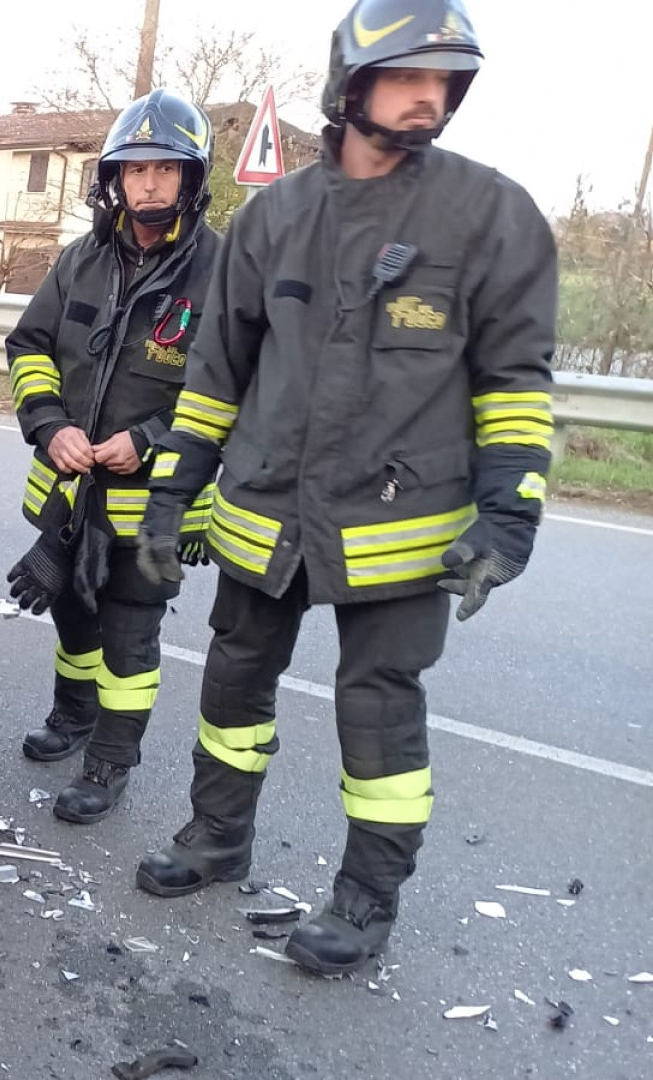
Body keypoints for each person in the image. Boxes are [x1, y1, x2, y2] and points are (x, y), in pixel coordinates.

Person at [131, 0, 557, 975]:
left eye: (445, 81)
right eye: (409, 75)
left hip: (400, 530)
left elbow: (515, 386)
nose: (430, 96)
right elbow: (214, 380)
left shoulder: (490, 216)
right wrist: (170, 497)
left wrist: (508, 517)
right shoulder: (274, 219)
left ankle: (365, 902)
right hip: (264, 515)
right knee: (234, 684)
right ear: (350, 84)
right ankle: (214, 838)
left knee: (378, 712)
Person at [3, 88, 223, 824]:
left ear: (192, 180)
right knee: (72, 618)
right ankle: (72, 718)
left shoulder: (220, 274)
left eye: (166, 170)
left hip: (151, 505)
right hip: (69, 496)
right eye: (135, 170)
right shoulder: (80, 260)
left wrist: (149, 438)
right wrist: (48, 424)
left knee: (131, 640)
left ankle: (109, 763)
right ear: (115, 179)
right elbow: (29, 346)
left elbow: (231, 388)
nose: (149, 184)